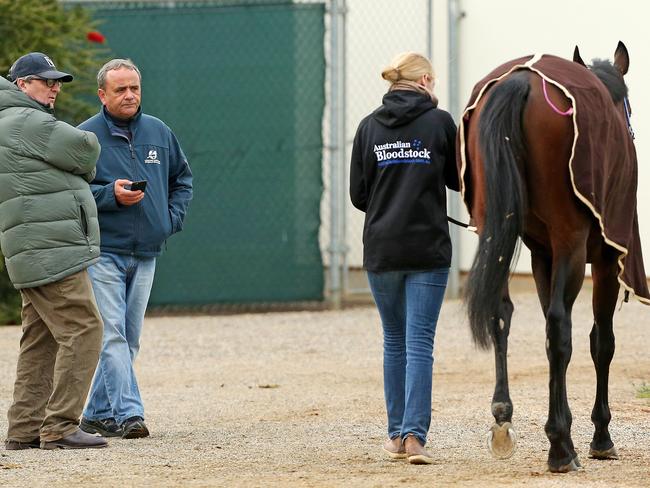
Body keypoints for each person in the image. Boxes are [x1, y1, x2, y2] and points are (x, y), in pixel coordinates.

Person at [349, 52, 459, 464]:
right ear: (426, 80)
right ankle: (416, 437)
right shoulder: (439, 122)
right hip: (428, 249)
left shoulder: (368, 126)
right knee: (419, 343)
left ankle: (396, 435)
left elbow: (359, 195)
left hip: (381, 249)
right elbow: (457, 179)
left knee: (394, 341)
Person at [78, 59, 193, 439]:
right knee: (112, 335)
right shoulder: (85, 138)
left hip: (146, 252)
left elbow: (183, 180)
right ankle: (130, 414)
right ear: (102, 95)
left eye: (134, 88)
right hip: (103, 252)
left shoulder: (159, 132)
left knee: (130, 336)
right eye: (120, 90)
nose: (129, 95)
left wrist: (169, 220)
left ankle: (95, 415)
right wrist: (109, 195)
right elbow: (71, 195)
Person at [0, 52, 107, 450]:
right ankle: (61, 426)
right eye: (47, 81)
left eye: (58, 81)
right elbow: (85, 150)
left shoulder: (6, 121)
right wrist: (79, 164)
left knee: (40, 339)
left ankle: (24, 429)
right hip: (52, 247)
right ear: (22, 84)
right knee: (84, 329)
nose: (55, 88)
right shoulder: (28, 120)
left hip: (32, 248)